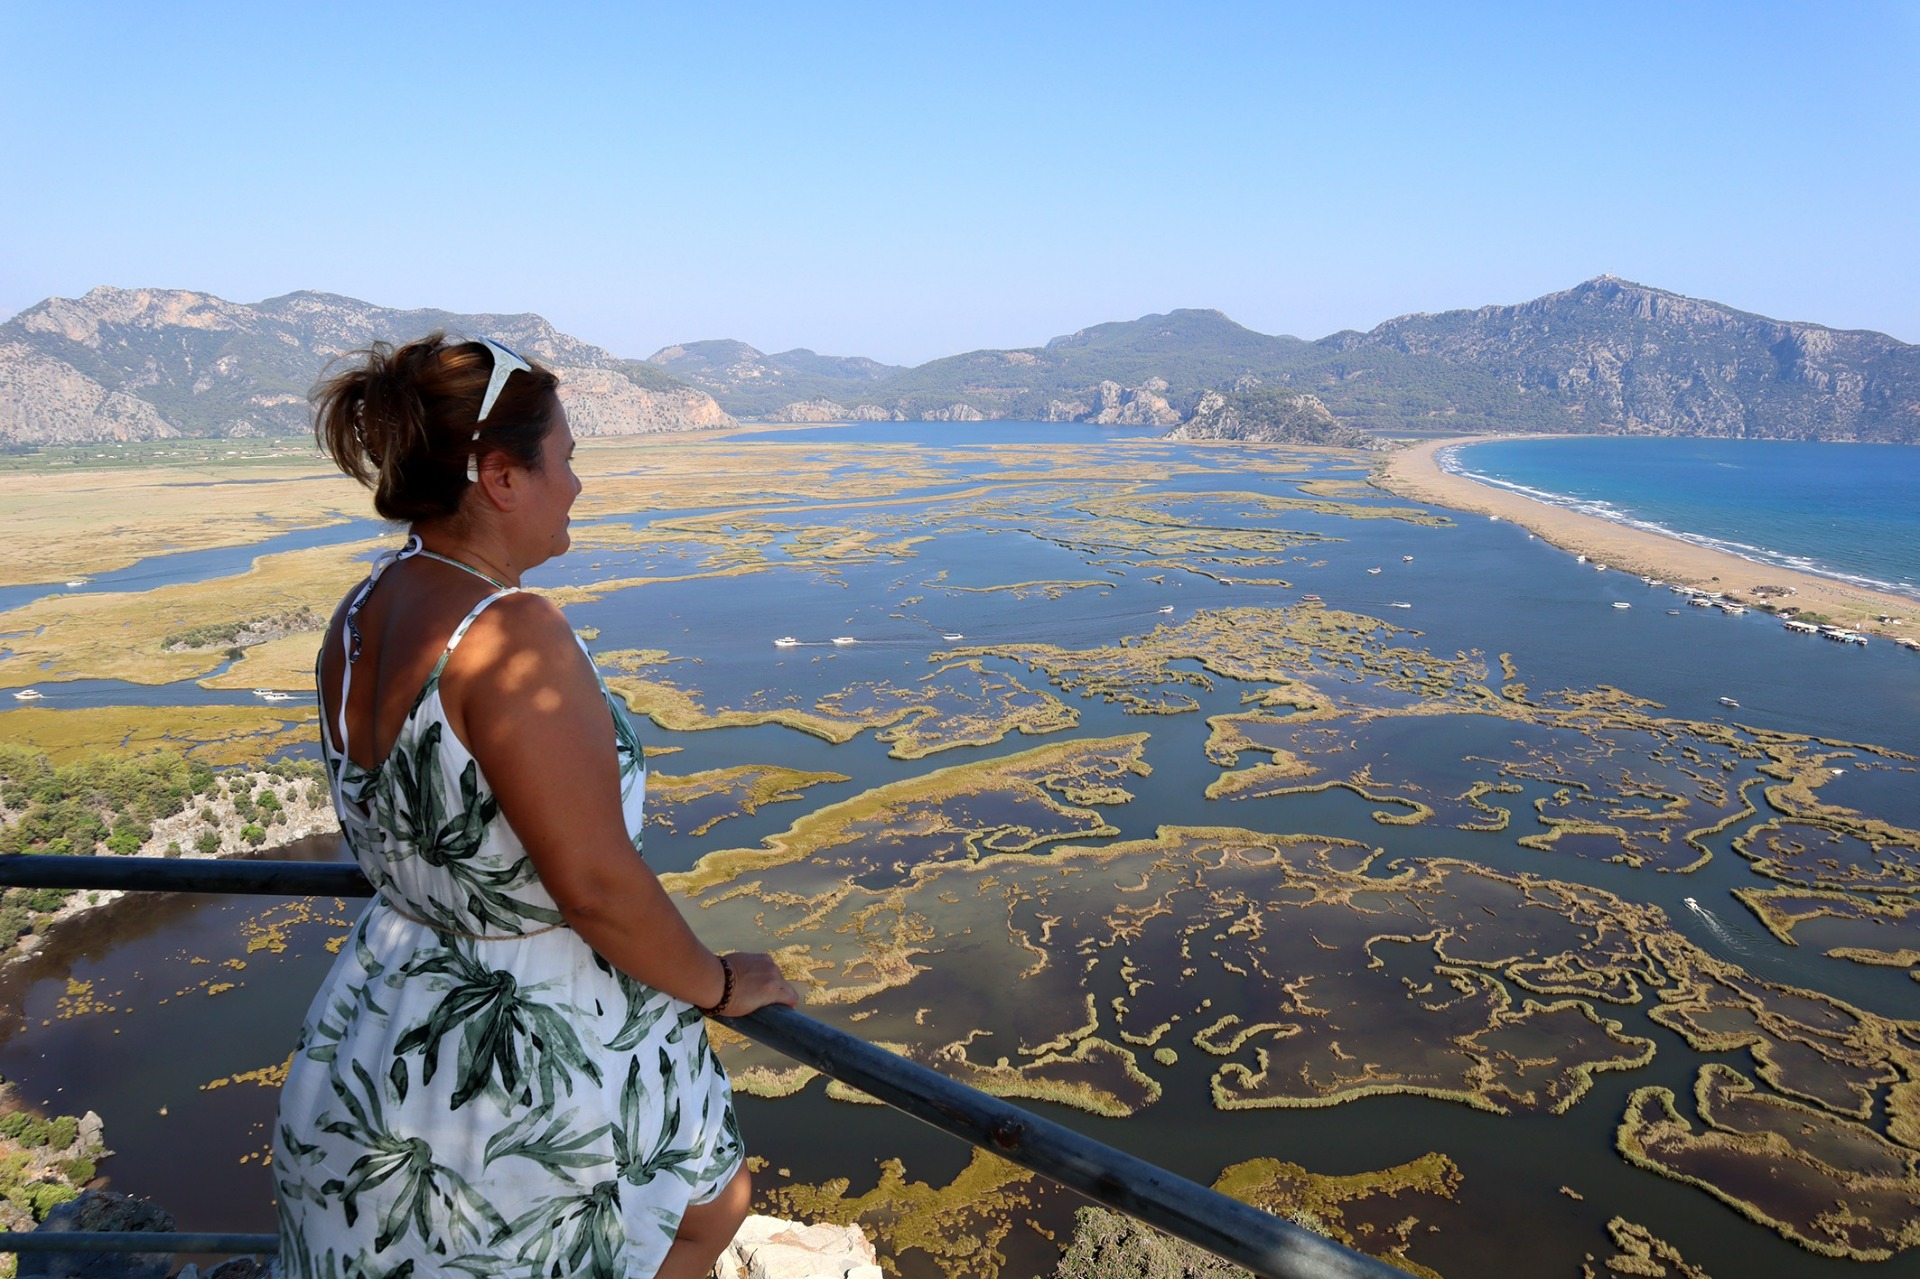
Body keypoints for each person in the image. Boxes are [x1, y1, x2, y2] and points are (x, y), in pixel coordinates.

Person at [273, 333, 797, 1279]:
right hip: (527, 1035)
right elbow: (594, 884)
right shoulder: (512, 633)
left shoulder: (361, 613)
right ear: (499, 475)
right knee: (702, 1206)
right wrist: (718, 983)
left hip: (391, 1011)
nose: (579, 484)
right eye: (566, 457)